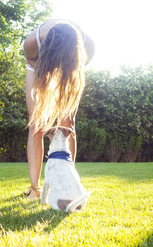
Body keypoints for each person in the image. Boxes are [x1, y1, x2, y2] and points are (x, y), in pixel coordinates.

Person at [23, 19, 95, 200]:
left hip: (70, 70)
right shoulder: (32, 44)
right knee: (36, 123)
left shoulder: (87, 44)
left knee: (67, 123)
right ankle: (34, 187)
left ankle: (67, 179)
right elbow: (35, 71)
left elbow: (79, 70)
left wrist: (63, 83)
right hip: (40, 67)